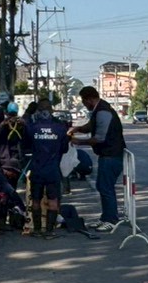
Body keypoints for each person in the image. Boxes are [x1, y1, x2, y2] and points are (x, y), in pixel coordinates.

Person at [68, 86, 126, 229]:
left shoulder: (103, 111)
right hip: (107, 155)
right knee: (102, 186)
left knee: (106, 187)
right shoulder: (98, 110)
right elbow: (91, 126)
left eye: (84, 101)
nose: (84, 104)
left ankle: (111, 220)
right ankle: (105, 217)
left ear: (89, 99)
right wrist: (78, 129)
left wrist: (79, 142)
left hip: (111, 155)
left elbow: (99, 138)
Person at [23, 95, 70, 238]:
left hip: (37, 169)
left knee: (36, 200)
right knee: (53, 201)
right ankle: (49, 231)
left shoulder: (32, 127)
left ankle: (37, 230)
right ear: (51, 110)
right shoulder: (60, 128)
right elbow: (65, 149)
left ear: (38, 110)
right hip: (53, 170)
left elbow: (26, 146)